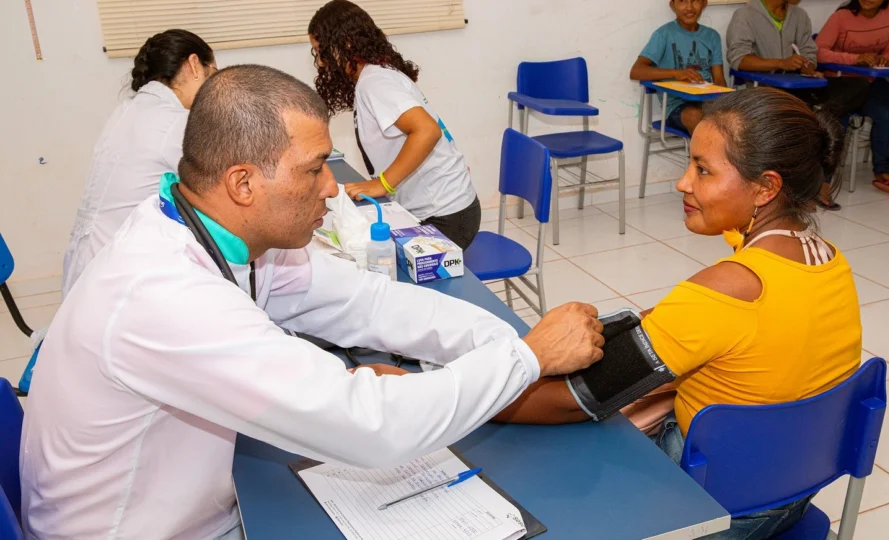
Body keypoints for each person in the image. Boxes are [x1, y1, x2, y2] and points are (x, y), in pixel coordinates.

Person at [19, 65, 605, 539]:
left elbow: (371, 303)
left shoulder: (218, 233)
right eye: (314, 167)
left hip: (192, 500)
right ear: (244, 184)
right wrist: (526, 360)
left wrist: (512, 343)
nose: (332, 185)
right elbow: (372, 426)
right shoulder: (163, 294)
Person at [493, 88, 863, 539]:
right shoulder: (829, 260)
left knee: (532, 447)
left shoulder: (725, 291)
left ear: (766, 187)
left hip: (715, 508)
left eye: (703, 170)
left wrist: (465, 393)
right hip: (796, 487)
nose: (683, 183)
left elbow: (574, 401)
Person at [307, 0, 481, 249]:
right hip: (445, 207)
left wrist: (383, 184)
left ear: (344, 43)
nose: (321, 62)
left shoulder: (375, 82)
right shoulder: (376, 76)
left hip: (447, 217)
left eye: (321, 51)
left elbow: (426, 130)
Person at [62, 29, 217, 295]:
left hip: (88, 269)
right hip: (117, 279)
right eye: (212, 74)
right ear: (194, 65)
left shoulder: (128, 110)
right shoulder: (172, 122)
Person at [727, 0, 871, 210]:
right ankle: (803, 191)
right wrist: (780, 63)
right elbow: (739, 60)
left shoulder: (799, 15)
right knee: (819, 122)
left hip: (801, 85)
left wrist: (808, 67)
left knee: (857, 85)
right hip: (766, 89)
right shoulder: (745, 15)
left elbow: (810, 53)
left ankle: (822, 116)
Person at [816, 0, 889, 197]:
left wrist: (886, 59)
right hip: (844, 84)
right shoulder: (841, 17)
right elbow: (819, 52)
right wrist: (854, 59)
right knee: (884, 113)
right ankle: (882, 169)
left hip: (872, 81)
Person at [629, 0, 726, 135]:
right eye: (682, 1)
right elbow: (636, 71)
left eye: (695, 1)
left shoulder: (712, 36)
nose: (689, 7)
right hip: (677, 107)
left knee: (740, 117)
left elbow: (719, 80)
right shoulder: (664, 34)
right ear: (672, 5)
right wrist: (676, 73)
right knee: (697, 117)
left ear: (704, 3)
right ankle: (701, 155)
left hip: (706, 103)